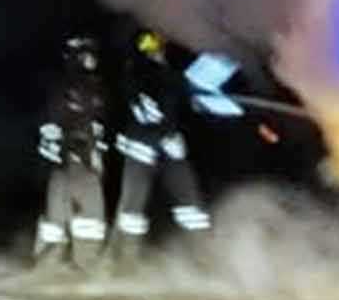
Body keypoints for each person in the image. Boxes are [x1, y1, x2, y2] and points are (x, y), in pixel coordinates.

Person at [110, 30, 218, 256]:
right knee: (132, 209)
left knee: (189, 205)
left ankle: (202, 253)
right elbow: (145, 111)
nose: (157, 49)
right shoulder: (138, 75)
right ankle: (124, 257)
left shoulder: (168, 75)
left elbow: (182, 106)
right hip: (143, 149)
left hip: (169, 148)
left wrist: (198, 99)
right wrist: (164, 135)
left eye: (157, 43)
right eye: (150, 44)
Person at [34, 34, 109, 263]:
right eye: (88, 54)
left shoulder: (93, 86)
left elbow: (95, 124)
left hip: (80, 158)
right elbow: (55, 124)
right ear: (77, 56)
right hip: (70, 157)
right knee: (74, 209)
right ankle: (65, 261)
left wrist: (97, 153)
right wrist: (70, 151)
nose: (93, 58)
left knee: (72, 209)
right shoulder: (66, 86)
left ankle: (70, 260)